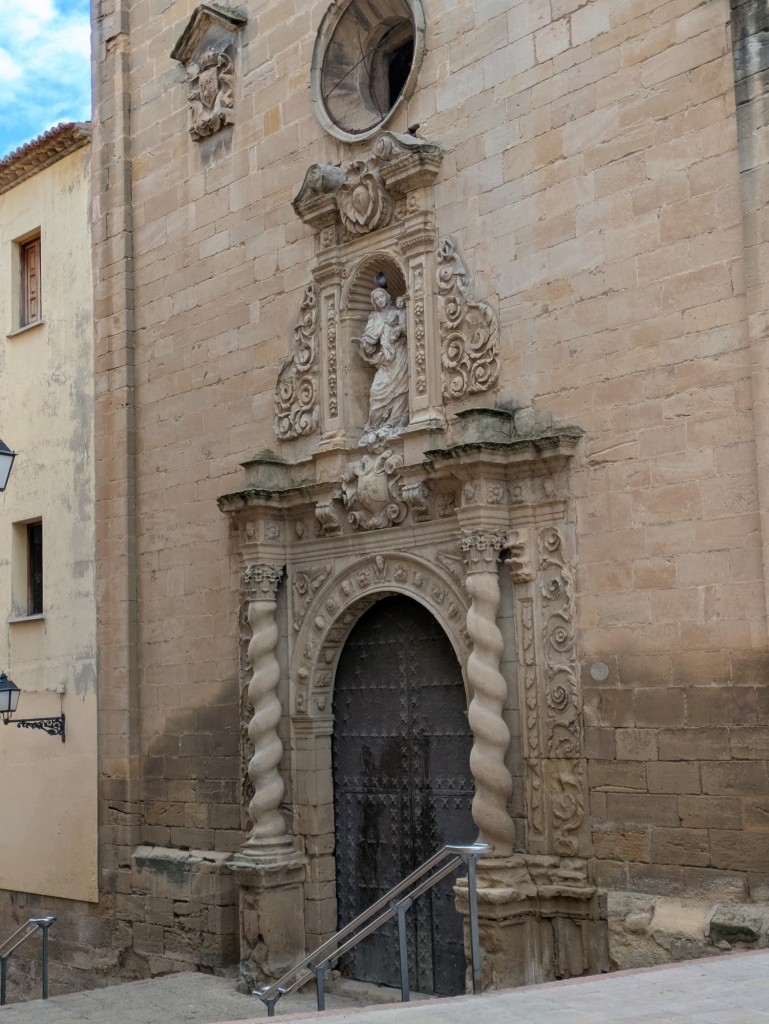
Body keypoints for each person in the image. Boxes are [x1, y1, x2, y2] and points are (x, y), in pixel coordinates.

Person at [354, 283, 409, 447]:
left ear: (387, 296)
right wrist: (362, 343)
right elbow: (369, 340)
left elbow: (408, 327)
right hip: (384, 360)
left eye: (381, 296)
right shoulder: (374, 319)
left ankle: (394, 424)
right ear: (374, 302)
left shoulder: (396, 313)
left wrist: (399, 329)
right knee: (376, 391)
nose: (380, 300)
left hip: (399, 355)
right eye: (376, 298)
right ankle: (374, 427)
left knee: (401, 390)